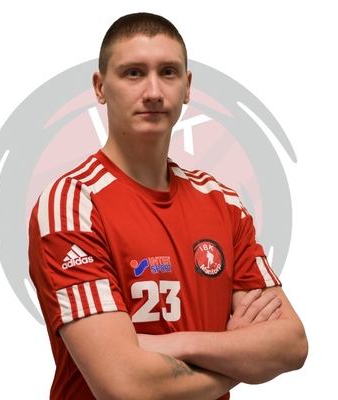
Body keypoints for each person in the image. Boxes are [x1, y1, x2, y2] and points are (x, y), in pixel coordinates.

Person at [28, 12, 308, 400]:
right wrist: (239, 362)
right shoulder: (72, 204)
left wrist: (176, 343)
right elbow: (125, 387)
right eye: (133, 73)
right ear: (100, 87)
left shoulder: (223, 202)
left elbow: (291, 344)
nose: (154, 91)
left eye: (169, 72)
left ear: (187, 87)